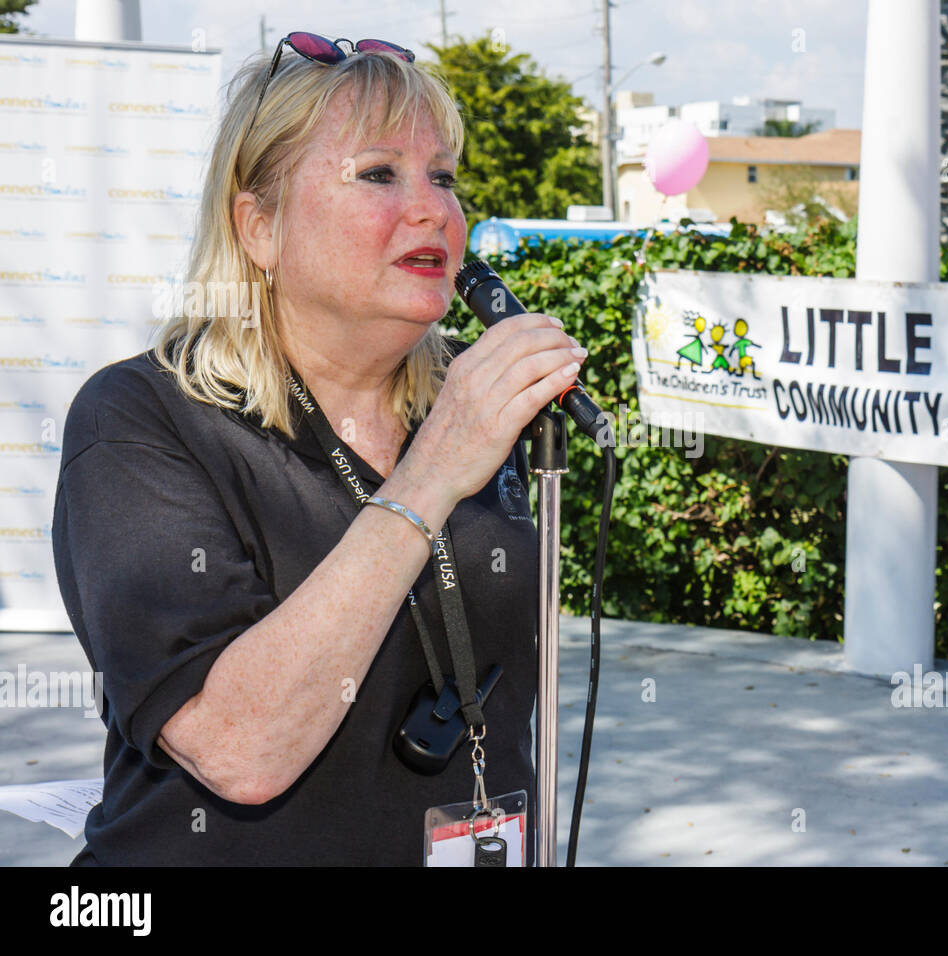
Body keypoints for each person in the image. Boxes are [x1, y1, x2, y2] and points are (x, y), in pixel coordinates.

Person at [51, 33, 586, 865]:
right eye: (379, 174)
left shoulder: (466, 409)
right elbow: (237, 751)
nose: (434, 210)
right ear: (258, 226)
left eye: (443, 177)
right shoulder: (139, 419)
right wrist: (434, 470)